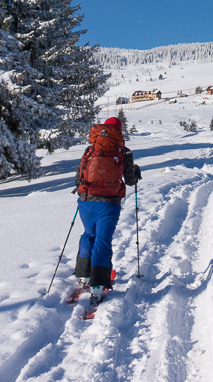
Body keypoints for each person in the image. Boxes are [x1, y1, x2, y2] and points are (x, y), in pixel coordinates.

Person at [73, 116, 141, 306]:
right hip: (109, 203)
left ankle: (83, 277)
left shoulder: (90, 149)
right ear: (118, 131)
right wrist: (135, 172)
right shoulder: (124, 152)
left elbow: (78, 178)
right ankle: (98, 285)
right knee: (102, 240)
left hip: (86, 202)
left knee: (88, 235)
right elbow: (130, 180)